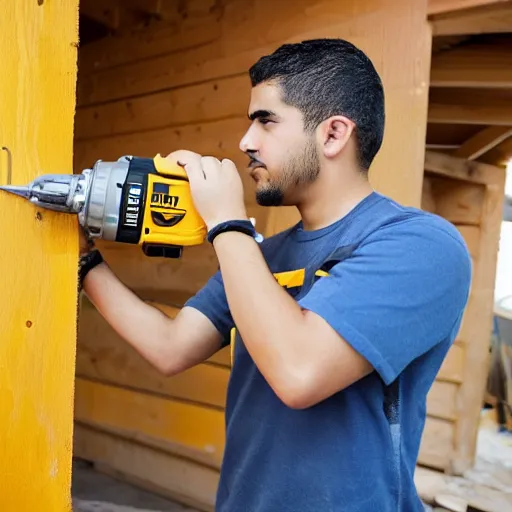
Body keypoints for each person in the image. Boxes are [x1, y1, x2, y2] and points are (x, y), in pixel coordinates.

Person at [79, 38, 472, 511]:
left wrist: (226, 224)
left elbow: (299, 372)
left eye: (266, 121)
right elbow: (170, 346)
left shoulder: (421, 246)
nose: (246, 142)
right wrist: (85, 262)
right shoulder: (261, 256)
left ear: (332, 135)